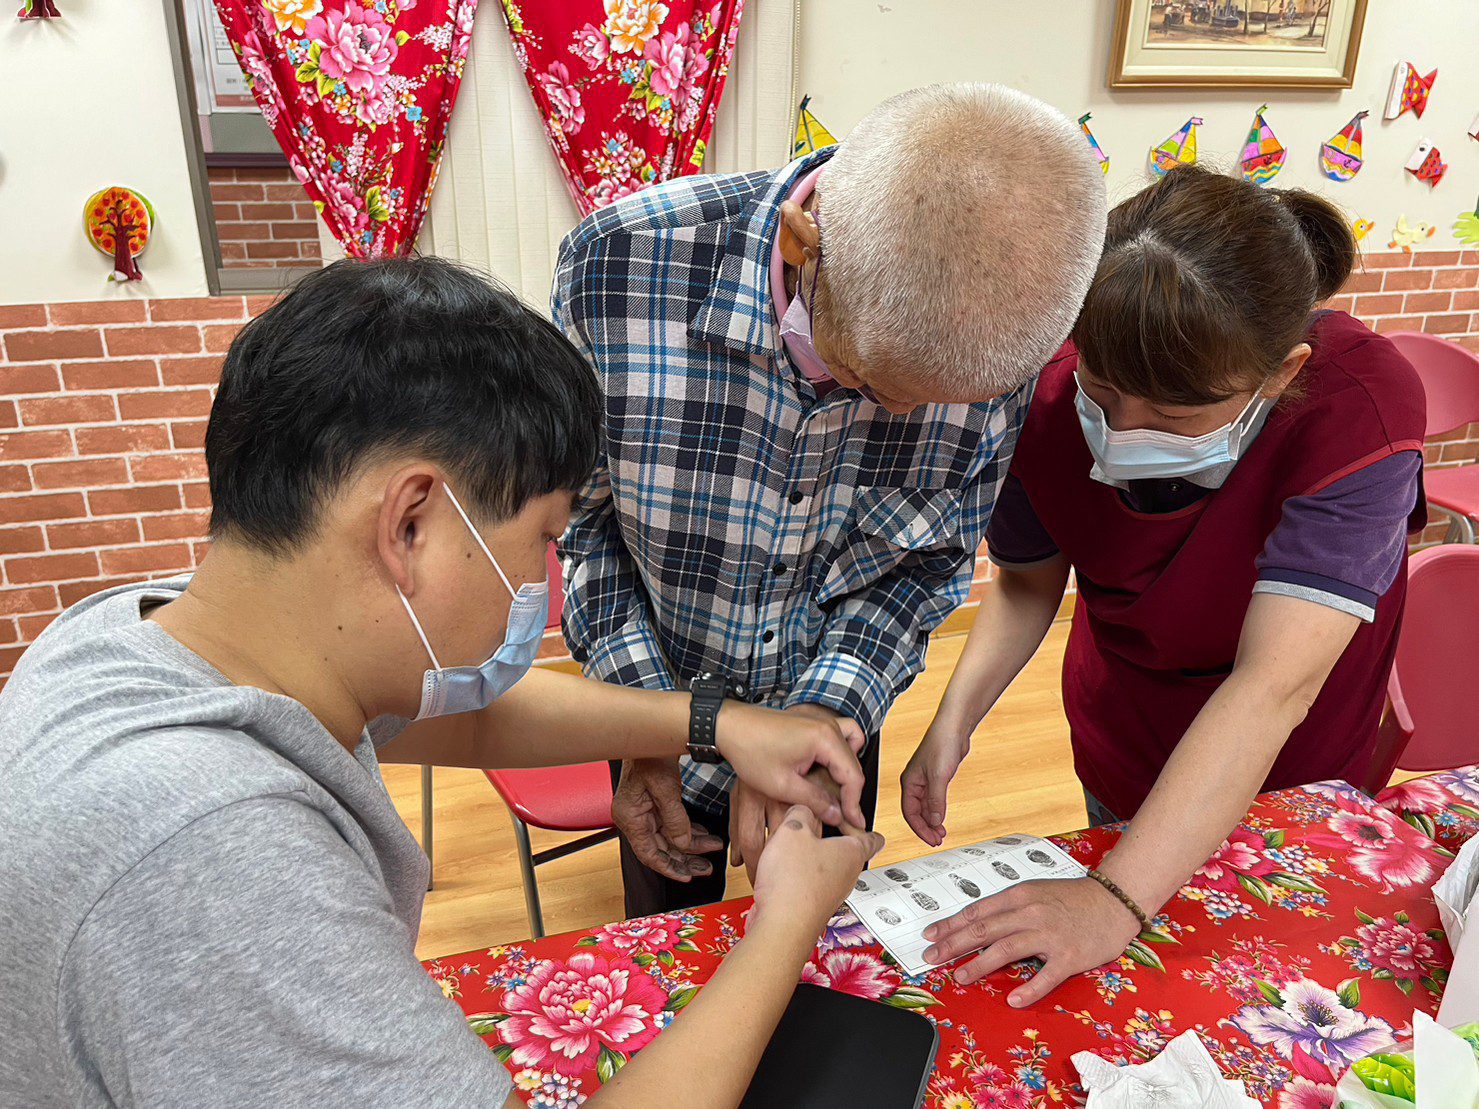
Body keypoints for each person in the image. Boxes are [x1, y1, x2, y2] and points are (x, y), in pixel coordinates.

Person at [0, 258, 885, 1106]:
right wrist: (785, 920)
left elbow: (461, 719)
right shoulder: (214, 850)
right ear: (410, 522)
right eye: (540, 538)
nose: (541, 577)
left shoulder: (139, 632)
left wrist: (708, 722)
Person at [554, 82, 1109, 915]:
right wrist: (652, 729)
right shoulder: (621, 263)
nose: (904, 415)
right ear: (802, 242)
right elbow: (581, 524)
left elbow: (926, 566)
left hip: (839, 707)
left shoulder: (997, 330)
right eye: (874, 381)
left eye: (941, 398)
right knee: (667, 941)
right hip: (648, 697)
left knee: (822, 955)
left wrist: (816, 722)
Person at [904, 164, 1428, 1006]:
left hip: (1282, 764)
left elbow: (1271, 686)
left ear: (1281, 372)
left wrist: (1113, 896)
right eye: (1102, 394)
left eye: (1176, 418)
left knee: (1257, 977)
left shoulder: (1358, 406)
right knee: (1131, 984)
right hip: (1125, 726)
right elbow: (1026, 585)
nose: (1122, 434)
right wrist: (951, 720)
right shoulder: (1042, 393)